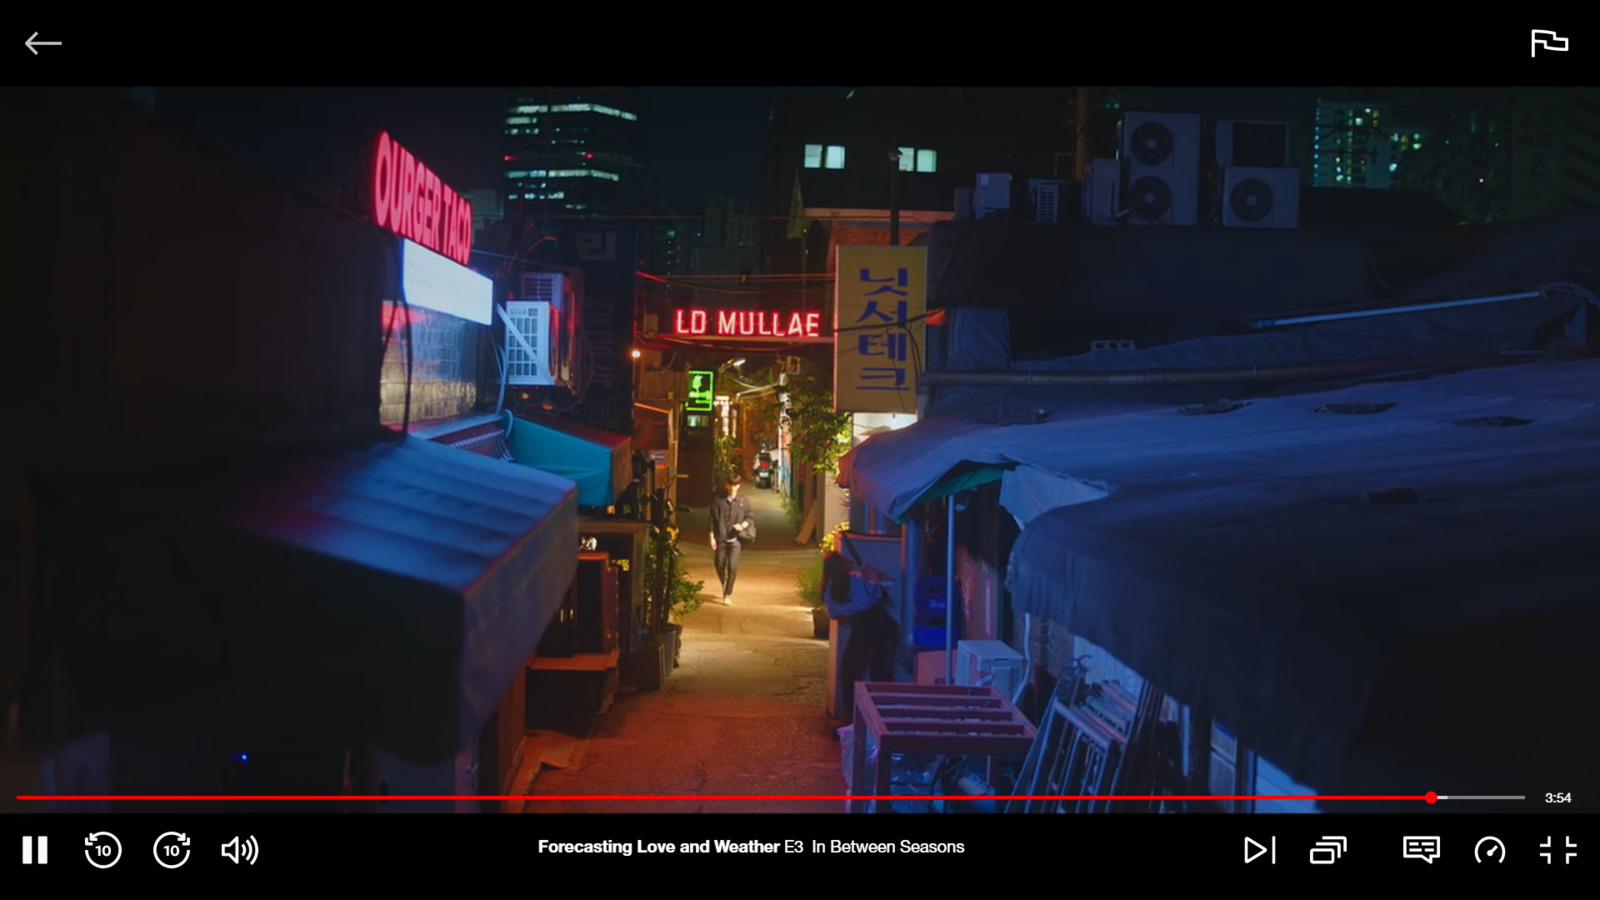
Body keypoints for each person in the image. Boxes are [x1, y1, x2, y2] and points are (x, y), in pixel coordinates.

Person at [824, 552, 898, 722]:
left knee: (848, 672)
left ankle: (851, 718)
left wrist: (850, 609)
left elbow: (836, 616)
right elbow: (880, 596)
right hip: (882, 623)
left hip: (861, 627)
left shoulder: (829, 592)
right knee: (880, 671)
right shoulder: (858, 578)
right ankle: (882, 717)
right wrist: (875, 581)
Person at [708, 474, 754, 605]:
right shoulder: (718, 501)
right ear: (727, 485)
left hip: (736, 540)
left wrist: (742, 526)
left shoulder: (743, 501)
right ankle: (724, 581)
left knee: (733, 567)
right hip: (721, 539)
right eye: (731, 485)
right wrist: (711, 537)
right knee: (719, 564)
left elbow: (749, 517)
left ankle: (728, 594)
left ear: (739, 486)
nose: (733, 488)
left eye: (736, 485)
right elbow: (711, 520)